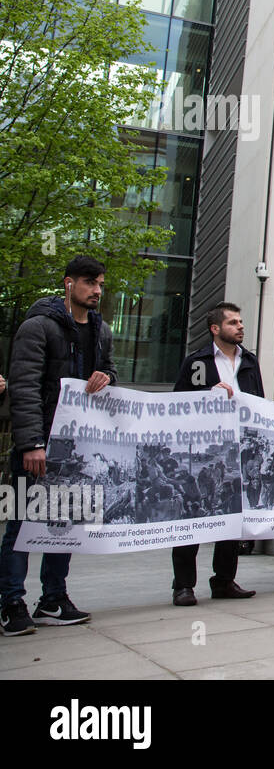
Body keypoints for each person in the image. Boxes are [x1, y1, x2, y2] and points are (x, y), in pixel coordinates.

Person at [2, 256, 111, 636]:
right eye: (89, 282)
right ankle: (10, 603)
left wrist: (107, 375)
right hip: (38, 446)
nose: (97, 290)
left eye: (100, 283)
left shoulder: (101, 331)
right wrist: (31, 442)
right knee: (20, 524)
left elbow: (110, 369)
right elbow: (24, 386)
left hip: (76, 449)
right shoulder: (38, 327)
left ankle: (52, 599)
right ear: (68, 284)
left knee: (65, 524)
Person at [169, 301, 263, 606]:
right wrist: (208, 397)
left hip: (235, 449)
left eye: (240, 322)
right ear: (215, 328)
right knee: (192, 517)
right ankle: (183, 585)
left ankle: (224, 580)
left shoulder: (249, 361)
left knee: (231, 518)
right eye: (233, 322)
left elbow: (258, 402)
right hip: (202, 451)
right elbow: (178, 405)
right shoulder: (197, 363)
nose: (240, 327)